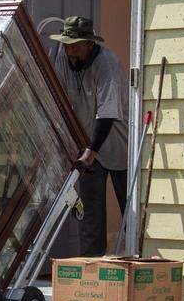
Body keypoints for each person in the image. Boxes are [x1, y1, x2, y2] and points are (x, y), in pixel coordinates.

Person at [48, 16, 129, 257]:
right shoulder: (63, 57)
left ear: (89, 44)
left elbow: (107, 113)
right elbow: (58, 97)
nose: (70, 50)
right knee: (89, 215)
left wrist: (91, 151)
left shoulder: (107, 64)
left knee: (130, 210)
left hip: (117, 144)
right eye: (66, 44)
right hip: (86, 145)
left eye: (75, 45)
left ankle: (137, 261)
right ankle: (90, 271)